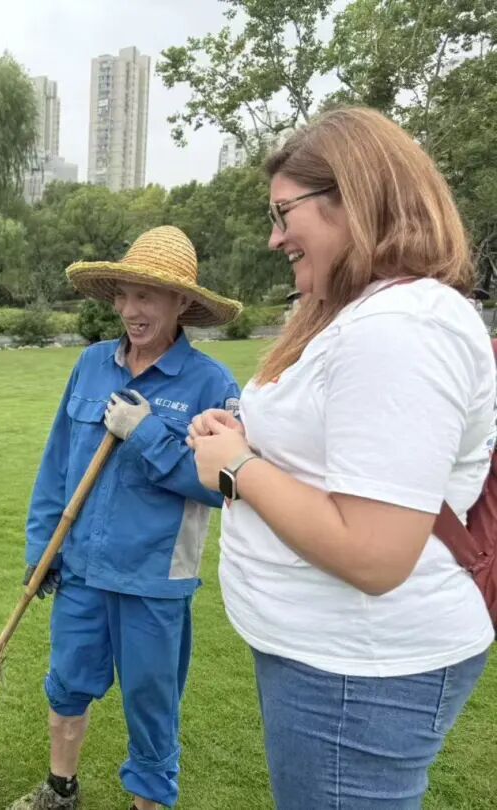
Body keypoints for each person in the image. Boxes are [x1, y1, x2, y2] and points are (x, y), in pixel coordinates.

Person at [190, 107, 494, 809]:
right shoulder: (357, 314)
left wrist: (239, 466)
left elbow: (374, 553)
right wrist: (244, 434)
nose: (274, 237)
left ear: (354, 196)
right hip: (333, 658)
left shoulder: (400, 329)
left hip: (360, 670)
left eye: (283, 212)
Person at [10, 226, 243, 810]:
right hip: (80, 567)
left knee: (151, 702)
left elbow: (225, 487)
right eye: (123, 295)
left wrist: (148, 438)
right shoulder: (91, 365)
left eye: (147, 297)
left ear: (181, 302)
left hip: (154, 578)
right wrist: (43, 545)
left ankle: (148, 803)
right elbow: (58, 460)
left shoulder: (211, 384)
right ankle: (60, 789)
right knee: (66, 685)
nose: (130, 310)